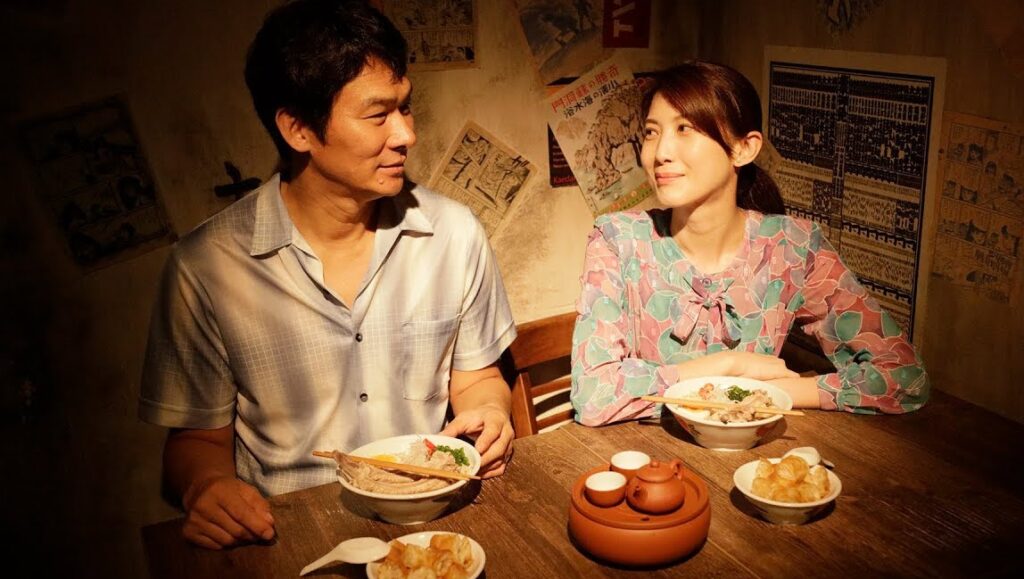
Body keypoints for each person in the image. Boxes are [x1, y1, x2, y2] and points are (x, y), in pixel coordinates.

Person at [139, 0, 517, 550]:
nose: (406, 134)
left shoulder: (454, 234)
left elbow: (479, 378)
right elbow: (196, 439)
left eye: (406, 108)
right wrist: (208, 486)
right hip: (290, 535)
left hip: (433, 520)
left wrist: (489, 413)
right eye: (378, 114)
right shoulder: (208, 267)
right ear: (297, 128)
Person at [570, 62, 929, 426]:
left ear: (743, 148)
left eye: (684, 129)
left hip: (757, 464)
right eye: (651, 132)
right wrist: (731, 366)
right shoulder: (618, 240)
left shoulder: (792, 248)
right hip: (651, 467)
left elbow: (903, 377)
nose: (660, 152)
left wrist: (772, 395)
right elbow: (593, 396)